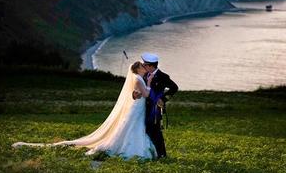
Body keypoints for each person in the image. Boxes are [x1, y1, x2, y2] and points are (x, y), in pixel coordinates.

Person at [12, 62, 157, 160]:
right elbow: (145, 94)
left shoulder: (137, 77)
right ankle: (125, 148)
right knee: (131, 126)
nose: (145, 68)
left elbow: (136, 94)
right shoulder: (138, 78)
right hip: (137, 108)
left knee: (132, 127)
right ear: (138, 69)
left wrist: (140, 91)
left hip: (137, 107)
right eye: (143, 66)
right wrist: (149, 84)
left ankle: (129, 145)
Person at [133, 52, 178, 159]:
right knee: (147, 130)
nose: (143, 66)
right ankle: (150, 152)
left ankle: (162, 154)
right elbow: (141, 90)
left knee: (155, 130)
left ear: (150, 66)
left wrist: (163, 99)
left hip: (155, 108)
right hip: (143, 107)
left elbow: (174, 88)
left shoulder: (163, 76)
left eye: (145, 64)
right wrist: (136, 94)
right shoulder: (144, 75)